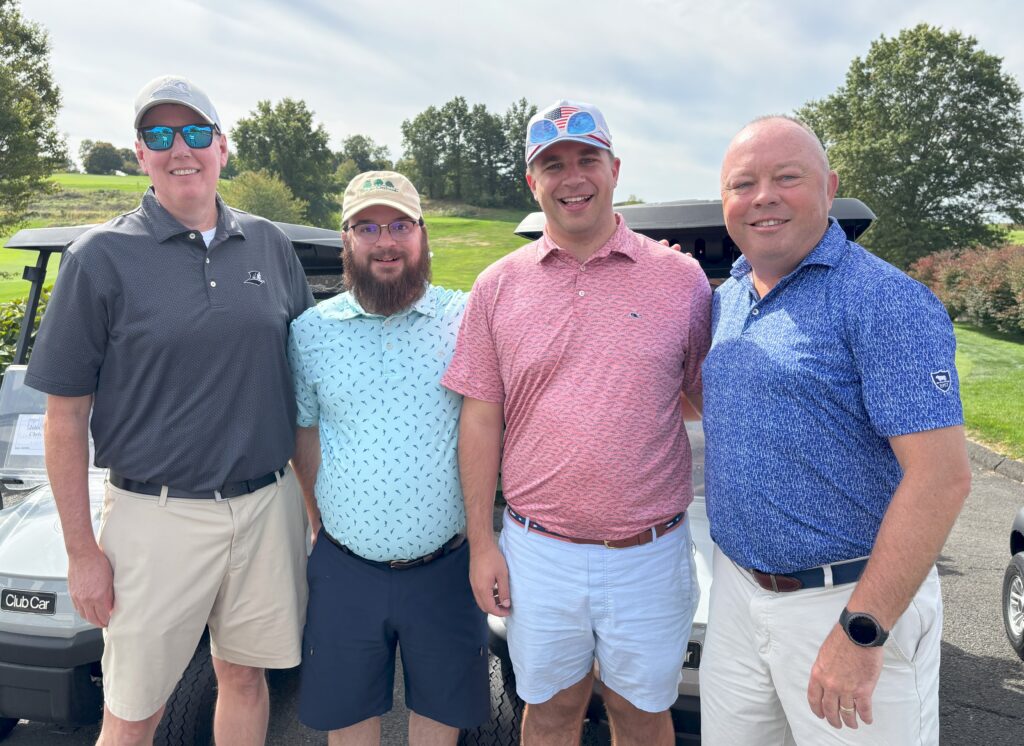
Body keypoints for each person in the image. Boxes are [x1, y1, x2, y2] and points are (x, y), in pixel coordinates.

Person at [25, 75, 313, 745]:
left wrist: (316, 515)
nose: (179, 148)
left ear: (222, 147)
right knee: (133, 713)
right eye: (159, 135)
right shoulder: (99, 258)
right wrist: (82, 553)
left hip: (266, 507)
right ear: (140, 154)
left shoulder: (269, 245)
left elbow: (303, 389)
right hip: (154, 517)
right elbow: (63, 418)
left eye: (195, 132)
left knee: (245, 678)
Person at [442, 100, 712, 745]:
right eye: (553, 164)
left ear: (614, 169)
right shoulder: (497, 286)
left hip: (649, 552)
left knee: (642, 716)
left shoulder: (681, 279)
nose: (573, 177)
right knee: (551, 712)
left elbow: (705, 399)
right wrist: (482, 542)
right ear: (532, 182)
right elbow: (480, 419)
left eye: (588, 159)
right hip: (540, 552)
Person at [699, 115, 971, 745]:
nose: (763, 197)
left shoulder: (885, 301)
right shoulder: (728, 298)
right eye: (743, 184)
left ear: (830, 187)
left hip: (846, 601)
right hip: (737, 594)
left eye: (786, 177)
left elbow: (942, 478)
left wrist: (862, 630)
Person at [289, 171, 488, 745]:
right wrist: (319, 520)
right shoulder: (310, 332)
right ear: (346, 239)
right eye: (368, 227)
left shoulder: (466, 318)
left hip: (447, 567)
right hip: (345, 568)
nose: (386, 242)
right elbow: (305, 431)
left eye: (401, 225)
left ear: (423, 234)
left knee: (440, 722)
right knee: (348, 723)